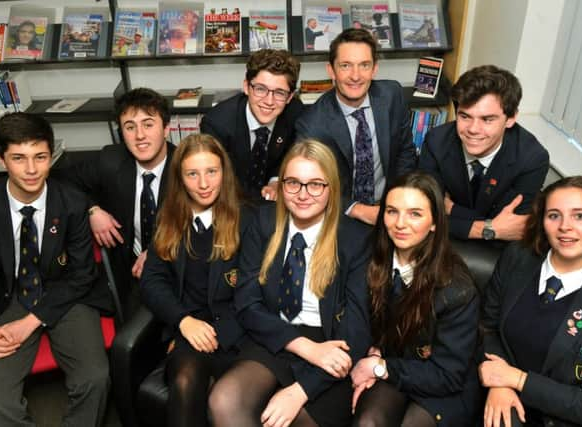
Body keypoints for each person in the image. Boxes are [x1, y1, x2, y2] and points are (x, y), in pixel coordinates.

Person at [209, 140, 372, 427]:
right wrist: (305, 348)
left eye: (315, 185)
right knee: (224, 400)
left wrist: (300, 391)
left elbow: (356, 331)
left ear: (331, 188)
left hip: (331, 345)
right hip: (275, 334)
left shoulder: (355, 240)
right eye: (293, 183)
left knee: (295, 418)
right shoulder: (263, 222)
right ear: (281, 185)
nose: (303, 194)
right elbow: (247, 304)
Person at [0, 113, 112, 427]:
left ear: (51, 156)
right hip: (10, 294)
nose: (31, 170)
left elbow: (82, 274)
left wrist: (31, 321)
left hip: (68, 292)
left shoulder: (72, 202)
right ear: (1, 159)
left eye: (40, 157)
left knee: (94, 379)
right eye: (19, 158)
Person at [480, 176, 582, 427]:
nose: (565, 227)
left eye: (579, 216)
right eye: (554, 216)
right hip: (504, 402)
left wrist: (516, 380)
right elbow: (487, 326)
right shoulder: (517, 258)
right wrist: (500, 383)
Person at [350, 172, 480, 426]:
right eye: (391, 211)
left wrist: (379, 367)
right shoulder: (369, 258)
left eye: (415, 214)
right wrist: (372, 351)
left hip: (443, 383)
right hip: (394, 366)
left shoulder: (457, 288)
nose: (400, 223)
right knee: (368, 422)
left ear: (434, 222)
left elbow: (448, 375)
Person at [140, 134, 250, 427]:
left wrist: (218, 334)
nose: (203, 184)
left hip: (240, 333)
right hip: (191, 329)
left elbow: (256, 292)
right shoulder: (170, 217)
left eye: (211, 172)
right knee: (186, 380)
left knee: (224, 398)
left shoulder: (248, 219)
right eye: (192, 174)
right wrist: (182, 321)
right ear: (180, 178)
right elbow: (152, 280)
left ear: (223, 173)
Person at [52, 88, 176, 319]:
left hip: (178, 269)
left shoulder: (185, 167)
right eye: (130, 127)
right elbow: (59, 180)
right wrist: (92, 209)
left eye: (148, 124)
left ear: (166, 129)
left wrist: (160, 251)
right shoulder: (111, 159)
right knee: (130, 342)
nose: (140, 135)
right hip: (129, 273)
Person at [296, 28, 416, 226]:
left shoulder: (392, 95)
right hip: (339, 213)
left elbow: (404, 152)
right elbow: (311, 186)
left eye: (364, 65)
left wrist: (399, 200)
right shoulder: (311, 124)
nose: (356, 76)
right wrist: (358, 210)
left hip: (390, 206)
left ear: (374, 69)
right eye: (345, 66)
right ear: (331, 70)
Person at [418, 65, 549, 242]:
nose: (473, 129)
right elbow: (422, 212)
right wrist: (489, 228)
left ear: (510, 118)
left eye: (487, 119)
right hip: (442, 238)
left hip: (498, 249)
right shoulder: (436, 141)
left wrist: (451, 209)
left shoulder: (532, 158)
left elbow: (515, 226)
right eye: (465, 117)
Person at [200, 49, 303, 201]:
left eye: (280, 93)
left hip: (276, 204)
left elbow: (290, 156)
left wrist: (276, 181)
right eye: (260, 89)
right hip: (230, 202)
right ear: (246, 87)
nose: (269, 101)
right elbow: (215, 179)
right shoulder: (217, 124)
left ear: (290, 97)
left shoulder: (295, 114)